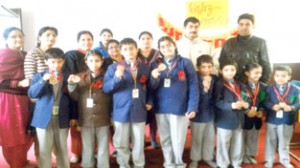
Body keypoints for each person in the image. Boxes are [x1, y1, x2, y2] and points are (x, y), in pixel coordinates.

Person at [149, 36, 199, 168]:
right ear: (159, 50)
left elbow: (194, 85)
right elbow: (151, 87)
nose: (166, 48)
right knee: (165, 137)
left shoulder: (185, 62)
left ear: (174, 46)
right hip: (161, 107)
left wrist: (192, 106)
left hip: (180, 107)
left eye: (169, 45)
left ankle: (179, 162)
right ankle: (169, 162)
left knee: (178, 138)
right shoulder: (155, 65)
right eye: (163, 46)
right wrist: (154, 77)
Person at [103, 38, 151, 168]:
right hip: (121, 110)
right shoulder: (113, 68)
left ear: (137, 49)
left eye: (131, 48)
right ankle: (123, 164)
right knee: (121, 141)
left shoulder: (145, 68)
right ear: (121, 51)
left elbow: (150, 87)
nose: (129, 51)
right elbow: (106, 88)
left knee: (139, 141)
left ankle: (139, 164)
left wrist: (150, 101)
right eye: (125, 49)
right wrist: (117, 77)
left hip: (139, 109)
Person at [28, 48, 77, 168]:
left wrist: (74, 116)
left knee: (62, 149)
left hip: (62, 117)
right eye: (53, 62)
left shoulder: (67, 77)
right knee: (44, 150)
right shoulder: (38, 76)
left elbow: (73, 99)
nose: (56, 65)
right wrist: (43, 80)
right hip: (43, 118)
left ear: (63, 61)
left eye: (59, 62)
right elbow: (32, 94)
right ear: (46, 61)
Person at [68, 50, 112, 168]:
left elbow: (112, 96)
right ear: (86, 62)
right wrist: (71, 85)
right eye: (91, 61)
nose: (94, 64)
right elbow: (75, 96)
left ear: (102, 61)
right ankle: (87, 165)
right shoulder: (79, 77)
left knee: (103, 144)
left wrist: (112, 115)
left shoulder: (108, 76)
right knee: (87, 144)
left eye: (97, 60)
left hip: (103, 115)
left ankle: (103, 165)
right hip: (85, 116)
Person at [0, 27, 33, 168]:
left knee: (26, 130)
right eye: (14, 37)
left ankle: (21, 161)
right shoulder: (3, 55)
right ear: (6, 40)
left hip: (25, 98)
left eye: (20, 36)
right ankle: (16, 164)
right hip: (9, 99)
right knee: (12, 132)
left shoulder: (26, 55)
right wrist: (17, 83)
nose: (18, 39)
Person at [24, 26, 58, 160]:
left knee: (56, 133)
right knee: (41, 136)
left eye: (54, 35)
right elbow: (30, 77)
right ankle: (42, 161)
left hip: (56, 97)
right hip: (41, 99)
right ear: (39, 37)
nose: (51, 37)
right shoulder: (33, 53)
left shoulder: (56, 53)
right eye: (47, 35)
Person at [64, 30, 94, 163]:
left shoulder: (95, 54)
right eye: (83, 40)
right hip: (77, 93)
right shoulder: (71, 55)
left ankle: (93, 151)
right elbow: (70, 75)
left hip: (94, 94)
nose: (86, 42)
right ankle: (76, 152)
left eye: (89, 39)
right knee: (77, 123)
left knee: (92, 123)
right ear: (78, 42)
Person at [214, 60, 250, 168]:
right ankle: (223, 163)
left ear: (236, 70)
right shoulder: (218, 84)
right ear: (221, 71)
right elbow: (216, 102)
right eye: (226, 70)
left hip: (239, 118)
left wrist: (246, 104)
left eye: (232, 70)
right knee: (223, 144)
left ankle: (236, 163)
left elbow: (245, 97)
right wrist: (231, 106)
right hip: (224, 119)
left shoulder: (240, 85)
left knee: (238, 143)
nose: (230, 72)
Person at [219, 13, 271, 84]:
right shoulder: (229, 43)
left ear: (253, 26)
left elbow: (267, 65)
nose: (244, 27)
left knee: (260, 95)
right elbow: (222, 63)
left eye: (248, 24)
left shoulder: (261, 42)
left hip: (253, 83)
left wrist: (263, 84)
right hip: (233, 84)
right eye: (241, 24)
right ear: (238, 26)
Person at [263, 66, 300, 168]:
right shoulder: (268, 88)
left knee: (284, 142)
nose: (280, 78)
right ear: (274, 76)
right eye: (277, 76)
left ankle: (284, 160)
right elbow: (263, 101)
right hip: (272, 119)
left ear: (289, 77)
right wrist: (271, 106)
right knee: (270, 141)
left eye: (283, 76)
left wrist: (292, 107)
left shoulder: (295, 90)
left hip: (287, 119)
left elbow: (298, 102)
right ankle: (269, 160)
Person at [189, 55, 217, 168]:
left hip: (211, 114)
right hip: (198, 114)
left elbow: (217, 95)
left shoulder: (215, 78)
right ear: (197, 67)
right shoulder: (194, 78)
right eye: (203, 67)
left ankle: (208, 157)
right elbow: (192, 95)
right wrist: (204, 89)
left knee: (210, 138)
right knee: (197, 138)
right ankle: (195, 159)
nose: (206, 70)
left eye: (209, 67)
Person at [138, 31, 161, 149]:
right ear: (139, 40)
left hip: (155, 86)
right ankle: (140, 139)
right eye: (143, 38)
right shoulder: (135, 52)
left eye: (148, 38)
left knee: (153, 115)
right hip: (138, 87)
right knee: (140, 114)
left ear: (152, 40)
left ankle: (152, 138)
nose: (145, 41)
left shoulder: (158, 53)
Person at [242, 63, 267, 164]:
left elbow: (263, 100)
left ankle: (250, 154)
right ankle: (242, 155)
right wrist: (247, 111)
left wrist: (261, 110)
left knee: (253, 135)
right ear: (247, 73)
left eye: (260, 73)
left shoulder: (263, 87)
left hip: (256, 116)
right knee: (244, 136)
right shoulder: (241, 86)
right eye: (255, 73)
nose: (258, 75)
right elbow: (240, 99)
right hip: (245, 116)